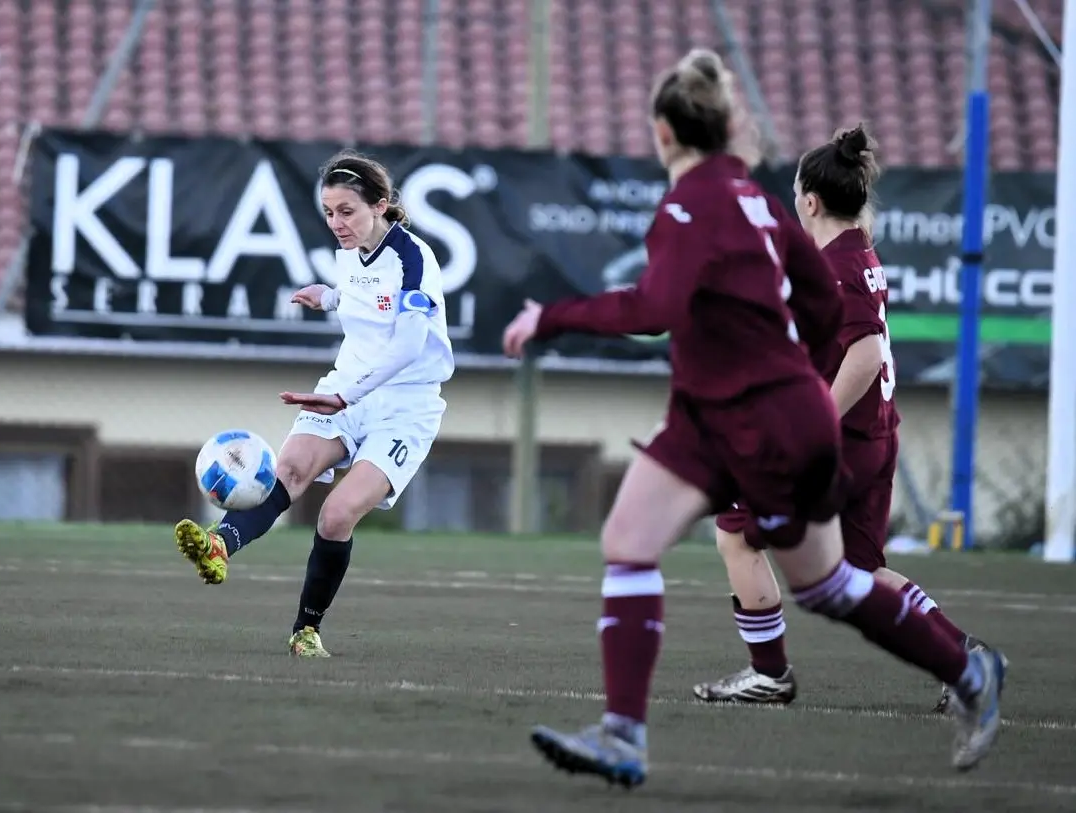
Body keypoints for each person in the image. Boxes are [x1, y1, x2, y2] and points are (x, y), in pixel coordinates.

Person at [501, 49, 1007, 789]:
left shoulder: (687, 205)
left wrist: (550, 315)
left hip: (751, 418)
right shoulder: (755, 200)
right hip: (732, 416)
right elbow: (824, 308)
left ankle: (967, 669)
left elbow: (652, 309)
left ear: (664, 132)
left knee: (827, 585)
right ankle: (622, 736)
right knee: (638, 539)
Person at [692, 124, 989, 713]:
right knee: (860, 568)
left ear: (810, 201)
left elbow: (866, 353)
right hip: (875, 434)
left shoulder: (836, 267)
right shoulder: (858, 254)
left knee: (735, 531)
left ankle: (768, 673)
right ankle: (966, 660)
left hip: (841, 441)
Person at [171, 150, 455, 658]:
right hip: (348, 385)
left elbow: (410, 344)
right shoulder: (350, 254)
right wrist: (328, 298)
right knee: (292, 469)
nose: (336, 223)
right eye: (328, 211)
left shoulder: (414, 257)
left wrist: (347, 396)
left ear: (381, 206)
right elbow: (365, 300)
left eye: (346, 211)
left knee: (336, 515)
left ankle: (307, 629)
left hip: (404, 405)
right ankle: (220, 545)